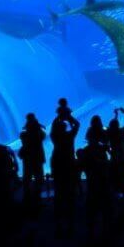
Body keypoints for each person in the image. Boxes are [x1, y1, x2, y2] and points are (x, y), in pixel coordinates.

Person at [50, 98, 80, 236]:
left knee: (59, 191)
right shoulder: (70, 136)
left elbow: (54, 125)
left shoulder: (54, 136)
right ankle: (71, 224)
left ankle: (57, 224)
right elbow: (77, 124)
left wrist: (60, 115)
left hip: (57, 162)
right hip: (68, 162)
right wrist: (68, 115)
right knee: (69, 191)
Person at [19, 112, 46, 205]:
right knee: (36, 179)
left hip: (29, 158)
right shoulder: (37, 133)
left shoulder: (24, 134)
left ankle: (28, 199)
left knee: (28, 179)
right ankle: (35, 199)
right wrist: (37, 126)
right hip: (36, 158)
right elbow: (42, 135)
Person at [107, 107, 124, 197]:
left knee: (115, 174)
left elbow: (113, 125)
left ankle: (116, 193)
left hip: (114, 155)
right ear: (118, 125)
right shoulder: (122, 131)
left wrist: (116, 115)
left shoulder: (109, 132)